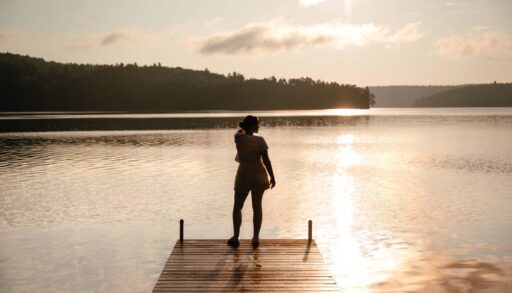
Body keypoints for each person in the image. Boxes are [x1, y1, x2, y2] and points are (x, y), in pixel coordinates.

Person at [228, 115, 276, 249]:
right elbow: (266, 160)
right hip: (259, 174)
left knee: (238, 206)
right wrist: (272, 176)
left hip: (244, 174)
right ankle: (255, 238)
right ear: (250, 126)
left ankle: (236, 237)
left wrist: (243, 128)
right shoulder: (260, 141)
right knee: (257, 206)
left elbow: (238, 132)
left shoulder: (239, 138)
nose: (258, 127)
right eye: (256, 125)